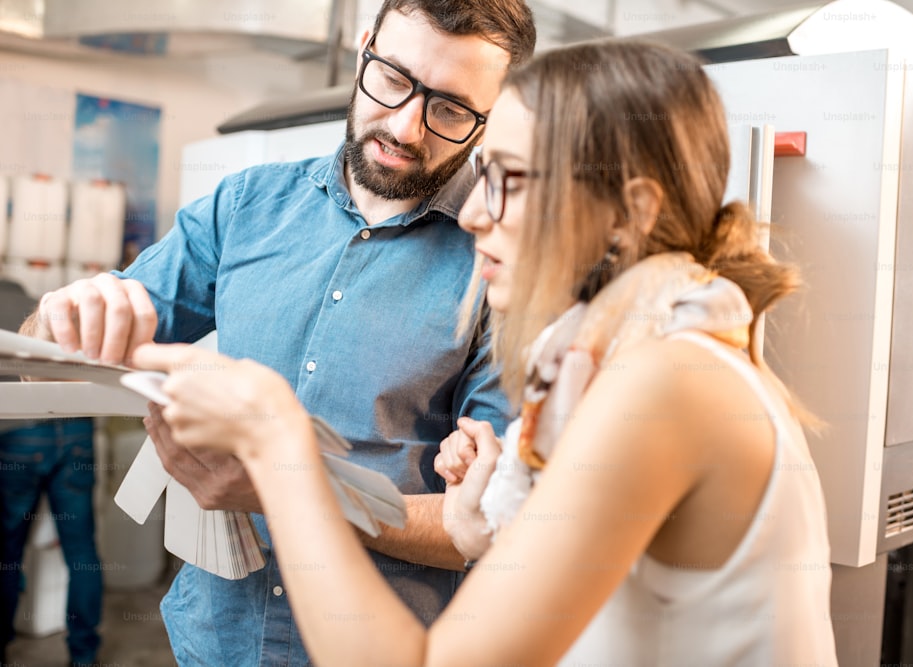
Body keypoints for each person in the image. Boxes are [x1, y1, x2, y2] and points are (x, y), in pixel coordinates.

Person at [129, 40, 840, 665]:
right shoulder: (621, 364)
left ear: (633, 213)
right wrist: (478, 524)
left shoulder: (666, 384)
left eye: (508, 179)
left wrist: (276, 442)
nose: (472, 214)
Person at [18, 1, 536, 664]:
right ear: (364, 48)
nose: (406, 126)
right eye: (394, 78)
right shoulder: (245, 207)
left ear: (492, 116)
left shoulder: (499, 263)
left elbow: (491, 520)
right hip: (210, 643)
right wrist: (61, 318)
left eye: (452, 109)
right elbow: (52, 360)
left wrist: (286, 487)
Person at [1, 278, 101, 667]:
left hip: (17, 436)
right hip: (76, 430)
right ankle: (84, 654)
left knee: (9, 551)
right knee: (82, 553)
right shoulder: (38, 307)